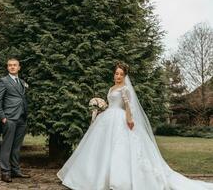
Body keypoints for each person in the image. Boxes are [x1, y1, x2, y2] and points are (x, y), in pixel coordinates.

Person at [57, 63, 213, 190]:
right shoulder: (111, 89)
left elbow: (128, 106)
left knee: (120, 148)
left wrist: (130, 120)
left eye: (120, 74)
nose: (117, 76)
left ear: (125, 76)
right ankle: (92, 177)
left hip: (120, 119)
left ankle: (117, 180)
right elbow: (111, 103)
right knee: (100, 148)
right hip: (106, 118)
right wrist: (99, 108)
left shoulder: (125, 89)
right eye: (116, 73)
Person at [0, 58, 30, 183]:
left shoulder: (22, 82)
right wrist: (3, 117)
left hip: (22, 118)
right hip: (9, 118)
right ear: (7, 68)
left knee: (16, 147)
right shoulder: (4, 81)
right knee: (7, 147)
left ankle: (15, 171)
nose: (12, 67)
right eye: (10, 65)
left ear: (19, 67)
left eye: (15, 65)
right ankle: (5, 172)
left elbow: (22, 98)